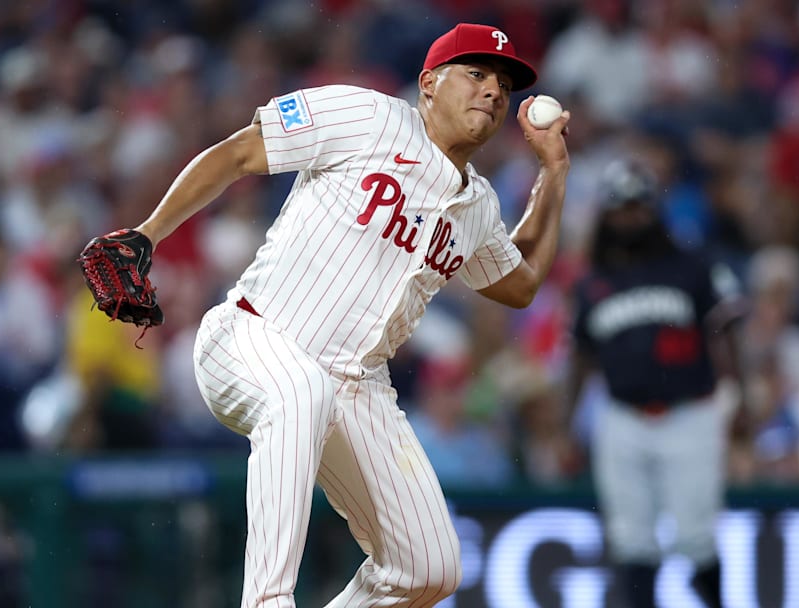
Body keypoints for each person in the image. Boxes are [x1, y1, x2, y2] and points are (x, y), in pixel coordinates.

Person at [87, 22, 571, 607]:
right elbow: (241, 151)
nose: (493, 91)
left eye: (503, 84)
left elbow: (520, 284)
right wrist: (147, 234)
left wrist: (553, 173)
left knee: (428, 569)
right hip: (254, 334)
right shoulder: (366, 116)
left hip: (360, 387)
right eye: (475, 74)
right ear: (429, 84)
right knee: (301, 391)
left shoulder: (480, 206)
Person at [565, 159, 747, 608]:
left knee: (694, 535)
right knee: (631, 538)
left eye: (637, 206)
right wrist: (568, 423)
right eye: (620, 209)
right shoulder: (592, 283)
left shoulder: (693, 266)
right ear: (606, 216)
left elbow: (726, 335)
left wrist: (744, 399)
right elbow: (580, 358)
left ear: (653, 209)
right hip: (622, 417)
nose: (630, 217)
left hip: (691, 413)